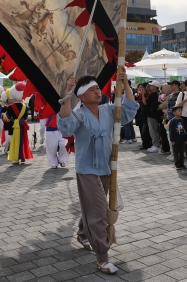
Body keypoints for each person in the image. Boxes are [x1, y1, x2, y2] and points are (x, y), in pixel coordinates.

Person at [58, 72, 138, 275]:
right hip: (87, 170)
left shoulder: (109, 110)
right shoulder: (79, 114)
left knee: (94, 208)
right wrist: (68, 92)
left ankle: (83, 234)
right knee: (99, 212)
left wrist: (126, 84)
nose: (97, 92)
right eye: (92, 90)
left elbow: (129, 110)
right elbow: (65, 126)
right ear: (81, 96)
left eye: (98, 88)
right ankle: (102, 257)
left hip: (106, 168)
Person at [4, 84, 33, 165]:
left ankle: (16, 159)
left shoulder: (10, 107)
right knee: (23, 141)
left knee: (14, 142)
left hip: (13, 126)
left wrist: (13, 120)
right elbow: (26, 118)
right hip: (22, 126)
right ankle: (23, 156)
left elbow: (7, 118)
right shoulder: (25, 107)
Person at [142, 81, 164, 153]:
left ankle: (156, 145)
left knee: (153, 130)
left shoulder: (154, 94)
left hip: (152, 115)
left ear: (155, 87)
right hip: (154, 115)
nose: (149, 87)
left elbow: (145, 102)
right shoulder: (156, 94)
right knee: (155, 130)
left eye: (151, 85)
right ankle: (156, 144)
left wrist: (142, 94)